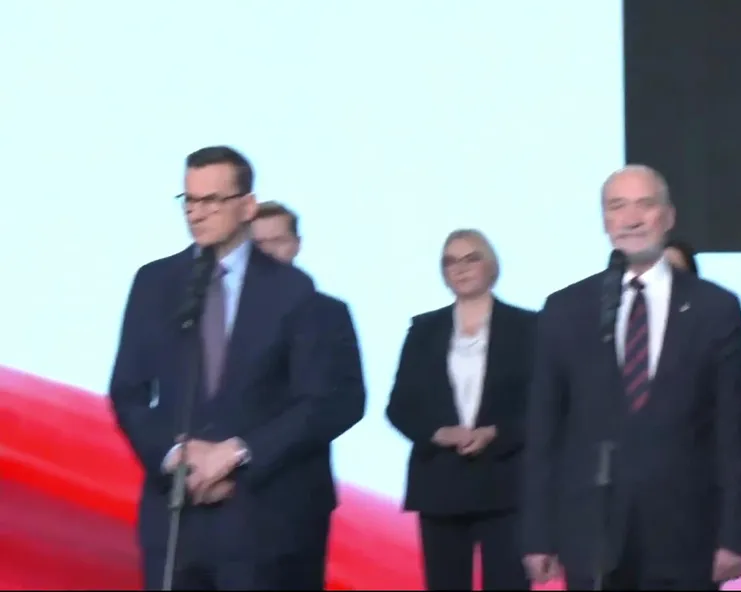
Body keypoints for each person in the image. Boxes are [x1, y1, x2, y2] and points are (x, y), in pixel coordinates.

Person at [107, 146, 365, 590]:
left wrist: (237, 454)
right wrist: (175, 457)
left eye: (211, 200)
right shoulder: (155, 283)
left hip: (259, 521)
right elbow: (128, 390)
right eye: (189, 200)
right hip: (176, 522)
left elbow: (319, 400)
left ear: (246, 206)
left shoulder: (292, 289)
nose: (196, 213)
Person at [521, 164, 741, 590]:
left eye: (644, 205)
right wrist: (538, 535)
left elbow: (734, 431)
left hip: (687, 535)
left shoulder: (715, 308)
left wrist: (735, 534)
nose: (630, 218)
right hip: (591, 533)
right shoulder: (565, 309)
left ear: (668, 216)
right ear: (605, 220)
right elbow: (543, 431)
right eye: (617, 206)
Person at [386, 229, 536, 590]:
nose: (460, 268)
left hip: (506, 483)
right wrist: (437, 432)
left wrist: (496, 433)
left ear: (491, 265)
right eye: (450, 261)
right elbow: (400, 406)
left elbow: (546, 405)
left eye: (471, 258)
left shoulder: (530, 327)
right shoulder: (423, 330)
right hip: (440, 484)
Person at [249, 201, 368, 589]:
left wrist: (269, 446)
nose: (269, 252)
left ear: (296, 244)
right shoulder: (216, 314)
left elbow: (348, 400)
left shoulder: (330, 313)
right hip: (227, 493)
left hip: (300, 492)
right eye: (258, 244)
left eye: (278, 240)